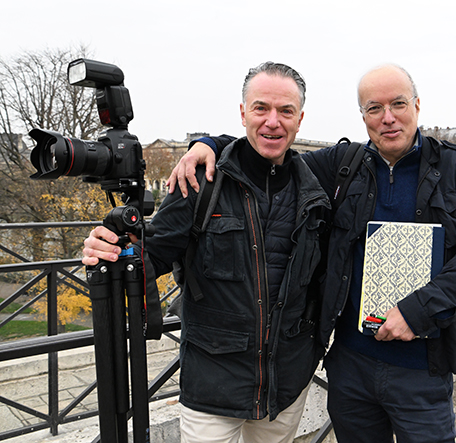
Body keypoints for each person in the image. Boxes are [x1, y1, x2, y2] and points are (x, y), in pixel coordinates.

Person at [167, 64, 456, 443]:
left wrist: (416, 311)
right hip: (350, 367)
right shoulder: (342, 165)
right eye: (374, 108)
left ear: (417, 106)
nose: (387, 117)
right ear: (362, 115)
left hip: (422, 368)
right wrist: (208, 144)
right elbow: (268, 148)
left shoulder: (453, 166)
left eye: (398, 104)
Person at [82, 62, 331, 443]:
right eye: (261, 108)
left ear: (300, 119)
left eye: (286, 111)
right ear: (243, 113)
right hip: (213, 383)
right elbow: (154, 254)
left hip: (286, 384)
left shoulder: (314, 191)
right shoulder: (201, 182)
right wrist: (115, 249)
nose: (273, 121)